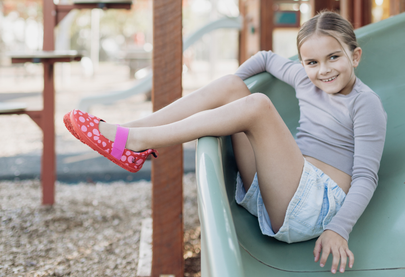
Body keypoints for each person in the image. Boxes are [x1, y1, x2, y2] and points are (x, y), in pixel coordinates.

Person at [64, 11, 387, 274]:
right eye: (312, 62)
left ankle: (136, 141)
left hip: (317, 207)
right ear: (303, 63)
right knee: (233, 86)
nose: (324, 70)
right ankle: (130, 131)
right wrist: (233, 86)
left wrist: (339, 228)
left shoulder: (365, 104)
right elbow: (264, 58)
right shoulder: (305, 79)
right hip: (278, 190)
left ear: (355, 56)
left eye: (334, 57)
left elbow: (365, 177)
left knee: (257, 105)